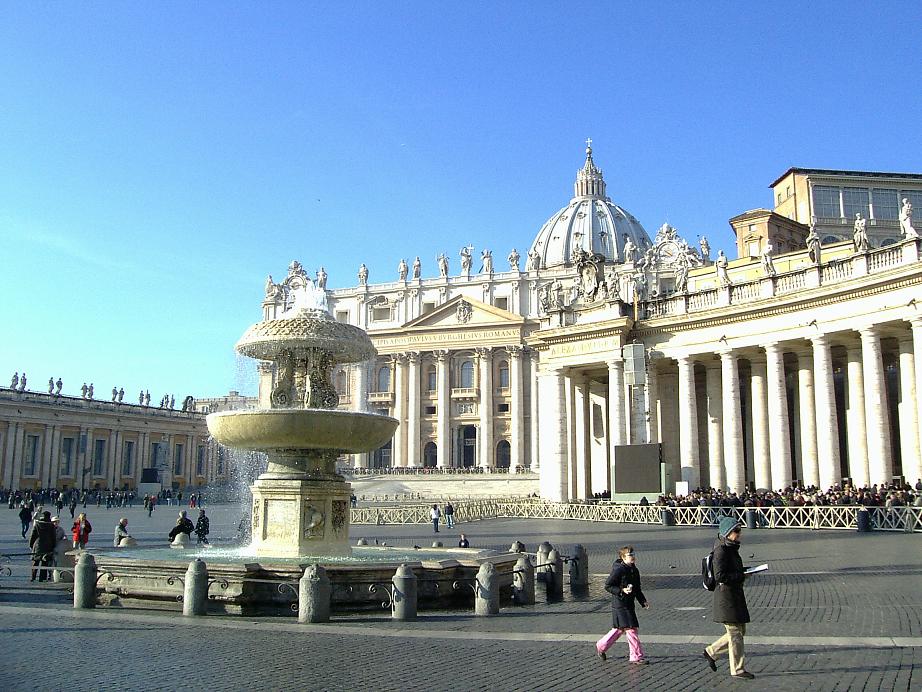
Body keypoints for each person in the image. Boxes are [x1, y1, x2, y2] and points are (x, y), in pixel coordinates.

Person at [703, 517, 754, 679]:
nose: (740, 534)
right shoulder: (721, 550)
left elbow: (731, 570)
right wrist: (741, 575)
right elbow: (720, 575)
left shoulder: (731, 548)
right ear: (727, 533)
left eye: (739, 530)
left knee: (741, 631)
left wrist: (746, 571)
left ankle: (711, 652)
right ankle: (737, 670)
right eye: (736, 531)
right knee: (735, 634)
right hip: (726, 598)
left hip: (734, 595)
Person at [596, 545, 650, 665]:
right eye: (630, 555)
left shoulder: (635, 570)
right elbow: (608, 586)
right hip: (619, 604)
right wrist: (621, 591)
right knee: (631, 629)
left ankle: (601, 646)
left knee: (619, 630)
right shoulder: (619, 570)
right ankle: (636, 656)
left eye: (633, 555)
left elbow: (637, 588)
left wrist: (643, 601)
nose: (633, 557)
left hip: (629, 603)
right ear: (623, 557)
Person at [29, 511, 56, 582]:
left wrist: (31, 545)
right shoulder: (51, 525)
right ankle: (42, 577)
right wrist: (53, 545)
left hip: (38, 545)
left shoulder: (37, 524)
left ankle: (33, 576)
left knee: (35, 562)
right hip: (48, 545)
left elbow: (33, 535)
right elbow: (53, 537)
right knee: (45, 562)